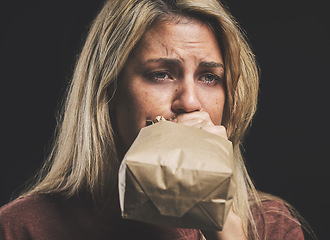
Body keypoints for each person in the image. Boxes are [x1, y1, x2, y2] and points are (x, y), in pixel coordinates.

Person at [0, 0, 315, 239]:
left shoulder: (270, 226)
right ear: (108, 92)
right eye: (161, 74)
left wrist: (227, 227)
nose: (190, 102)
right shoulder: (22, 228)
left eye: (209, 77)